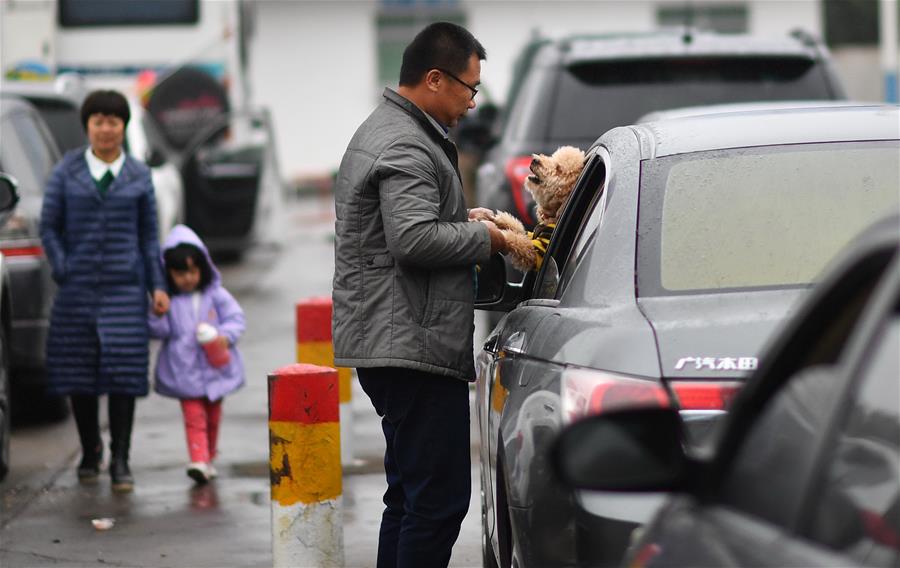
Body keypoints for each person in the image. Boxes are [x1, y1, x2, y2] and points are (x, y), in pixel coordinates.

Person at [331, 22, 507, 568]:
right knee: (437, 502)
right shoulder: (406, 142)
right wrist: (488, 237)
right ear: (435, 79)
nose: (474, 102)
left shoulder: (392, 129)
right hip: (413, 348)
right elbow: (412, 238)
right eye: (470, 87)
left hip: (399, 340)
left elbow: (409, 226)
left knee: (408, 497)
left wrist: (462, 219)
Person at [40, 89, 170, 493]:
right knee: (79, 374)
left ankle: (121, 458)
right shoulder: (66, 172)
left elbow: (149, 237)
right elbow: (49, 227)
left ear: (123, 127)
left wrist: (157, 286)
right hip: (77, 292)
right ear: (87, 126)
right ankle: (90, 449)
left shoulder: (137, 175)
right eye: (98, 121)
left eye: (113, 121)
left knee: (123, 376)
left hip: (124, 292)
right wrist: (62, 266)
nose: (106, 129)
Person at [149, 224, 246, 484]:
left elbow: (236, 318)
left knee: (213, 416)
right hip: (185, 371)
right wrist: (156, 314)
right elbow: (160, 331)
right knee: (194, 417)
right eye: (181, 273)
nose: (188, 278)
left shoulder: (215, 295)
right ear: (168, 273)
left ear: (203, 268)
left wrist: (224, 336)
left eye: (193, 271)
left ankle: (208, 457)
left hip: (215, 367)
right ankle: (199, 460)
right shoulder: (169, 301)